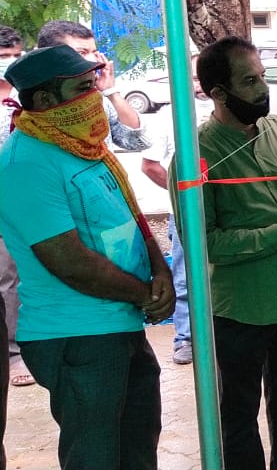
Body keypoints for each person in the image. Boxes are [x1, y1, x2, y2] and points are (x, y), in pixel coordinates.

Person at [0, 45, 174, 470]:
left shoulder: (86, 147)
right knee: (95, 456)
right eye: (81, 88)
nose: (94, 97)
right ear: (45, 99)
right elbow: (69, 261)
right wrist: (146, 294)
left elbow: (131, 216)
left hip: (119, 322)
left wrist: (160, 272)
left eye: (93, 85)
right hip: (77, 335)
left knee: (137, 448)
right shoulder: (25, 162)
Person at [187, 36, 277, 470]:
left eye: (263, 77)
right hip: (240, 310)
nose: (263, 89)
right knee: (237, 415)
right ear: (218, 93)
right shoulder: (196, 154)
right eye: (249, 82)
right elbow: (204, 243)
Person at [139, 57, 214, 365]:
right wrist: (184, 195)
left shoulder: (227, 113)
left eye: (202, 77)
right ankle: (185, 337)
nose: (199, 84)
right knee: (185, 276)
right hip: (185, 214)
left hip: (224, 211)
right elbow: (150, 166)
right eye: (192, 78)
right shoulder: (170, 118)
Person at [35, 21, 150, 151]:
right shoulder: (34, 105)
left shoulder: (99, 99)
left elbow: (140, 142)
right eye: (81, 53)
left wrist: (111, 92)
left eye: (94, 53)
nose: (93, 60)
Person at [0, 25, 26, 399]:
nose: (10, 62)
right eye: (4, 56)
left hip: (27, 197)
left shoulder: (26, 96)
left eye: (16, 55)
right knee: (5, 275)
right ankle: (13, 353)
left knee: (23, 273)